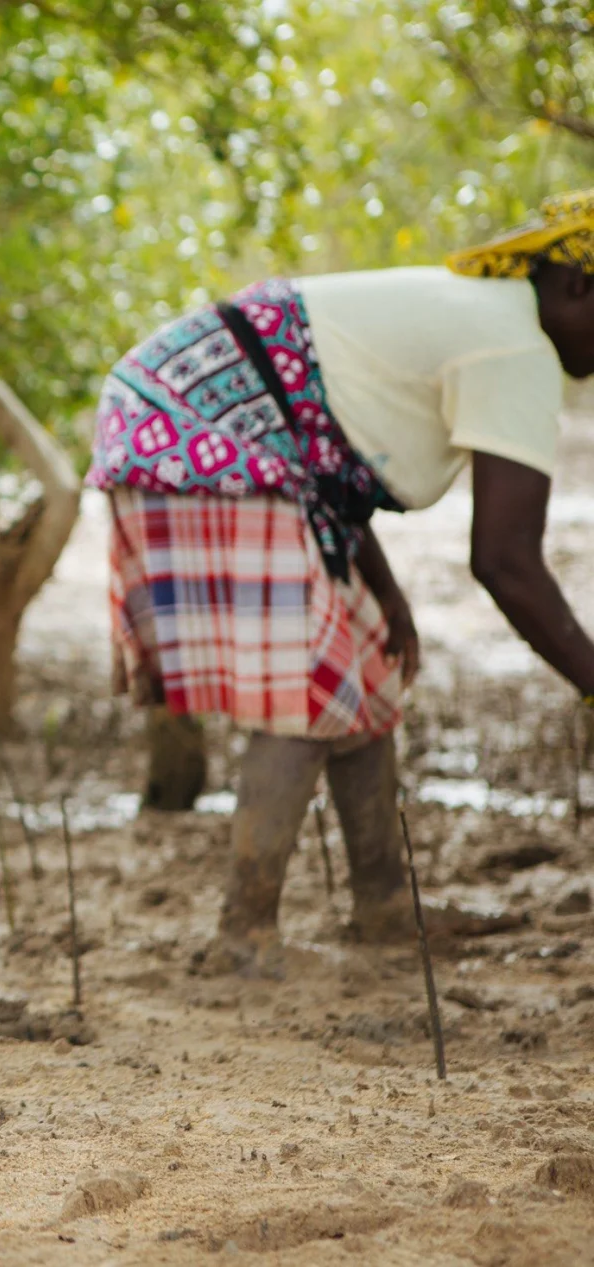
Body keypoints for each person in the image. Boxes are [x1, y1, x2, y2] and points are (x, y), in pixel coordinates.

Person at [89, 190, 594, 976]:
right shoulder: (512, 345)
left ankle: (384, 907)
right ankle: (243, 937)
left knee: (362, 664)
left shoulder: (488, 316)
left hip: (201, 421)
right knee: (304, 693)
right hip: (195, 430)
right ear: (579, 289)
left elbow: (322, 436)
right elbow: (506, 562)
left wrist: (383, 592)